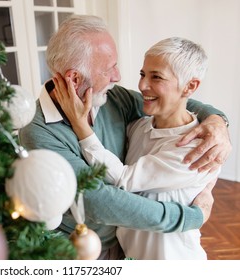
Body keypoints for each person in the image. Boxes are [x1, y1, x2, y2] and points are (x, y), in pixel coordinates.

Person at [18, 15, 232, 259]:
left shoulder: (111, 97)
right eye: (109, 69)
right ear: (75, 78)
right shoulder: (38, 132)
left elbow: (170, 102)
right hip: (80, 251)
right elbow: (99, 201)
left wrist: (217, 120)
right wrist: (189, 217)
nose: (118, 76)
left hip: (129, 246)